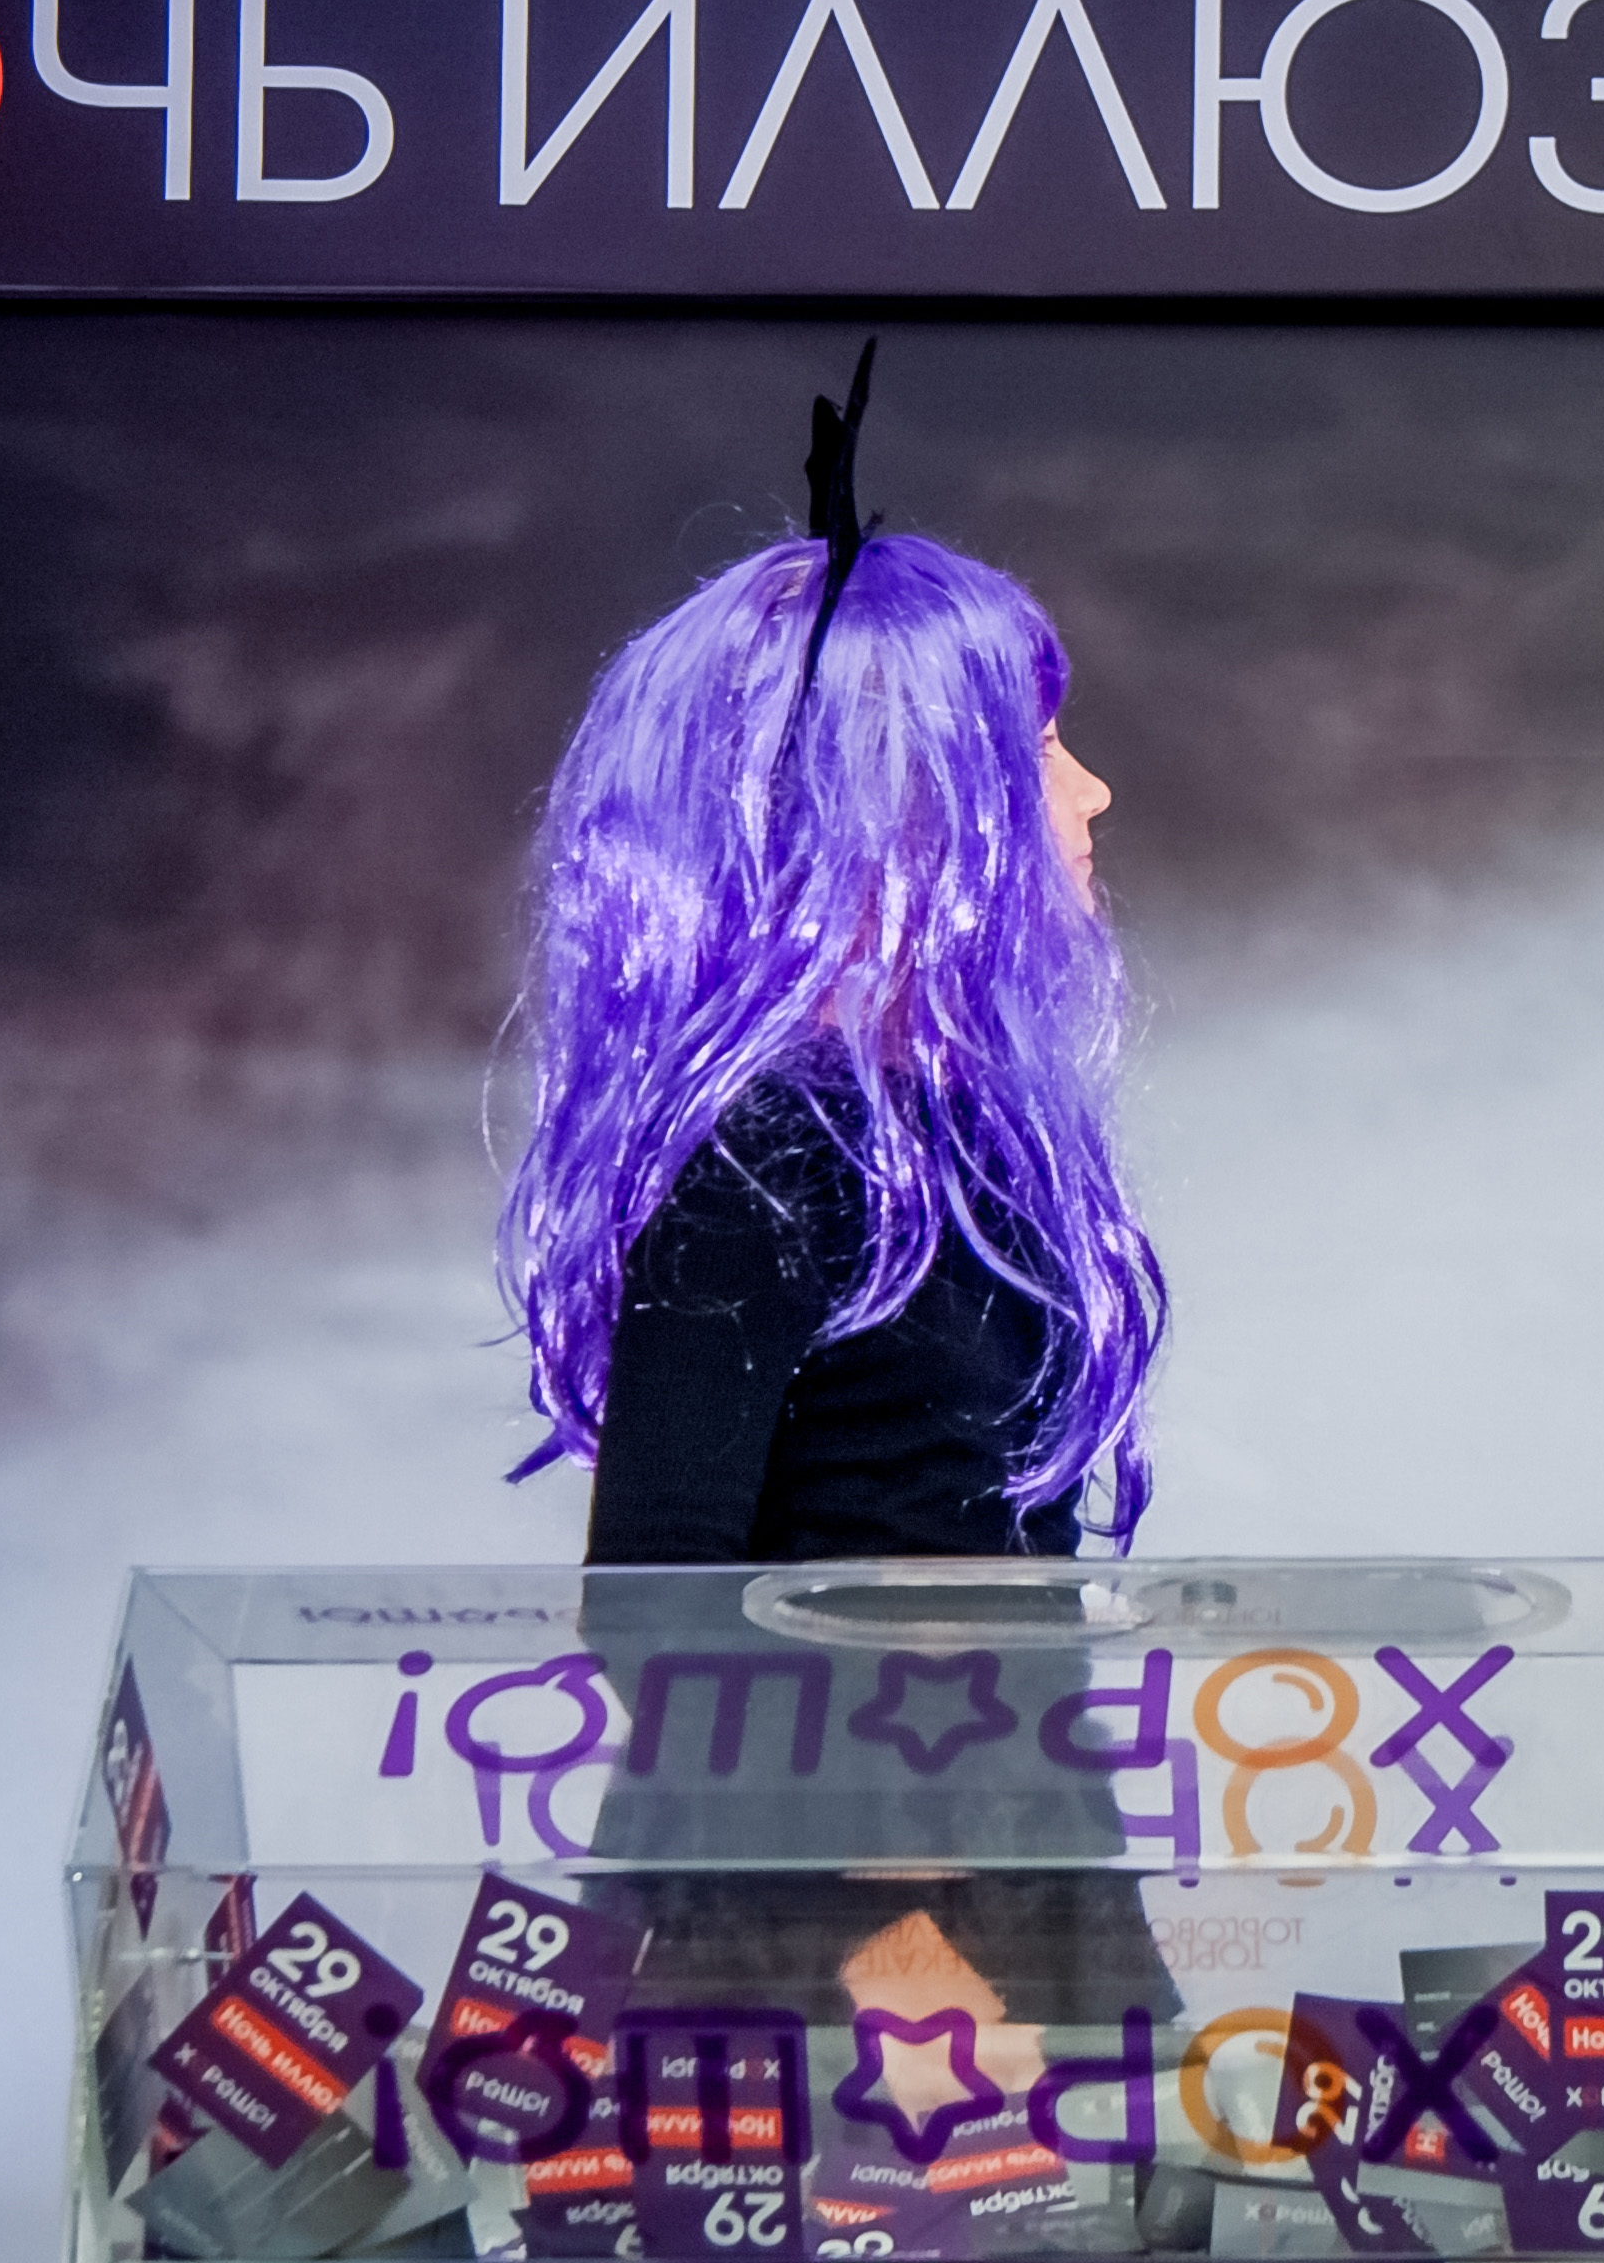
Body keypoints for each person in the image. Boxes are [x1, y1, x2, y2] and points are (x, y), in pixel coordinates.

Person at [495, 350, 1178, 2173]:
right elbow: (660, 1606)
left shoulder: (959, 1139)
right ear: (918, 798)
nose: (1094, 790)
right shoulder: (767, 1157)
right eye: (1041, 746)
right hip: (844, 1976)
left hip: (1009, 1905)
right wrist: (885, 1950)